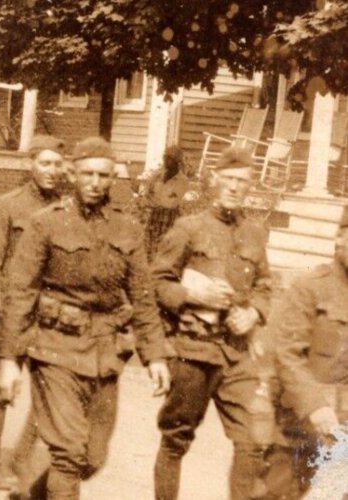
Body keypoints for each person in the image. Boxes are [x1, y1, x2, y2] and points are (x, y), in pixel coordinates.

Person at [0, 136, 171, 500]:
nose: (95, 182)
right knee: (69, 454)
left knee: (92, 457)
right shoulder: (45, 224)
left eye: (104, 175)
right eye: (88, 174)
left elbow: (142, 298)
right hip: (54, 349)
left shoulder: (127, 228)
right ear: (73, 174)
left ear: (113, 178)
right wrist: (10, 359)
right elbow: (20, 293)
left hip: (105, 354)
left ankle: (28, 495)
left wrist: (155, 355)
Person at [151, 146, 272, 500]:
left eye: (243, 182)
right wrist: (195, 296)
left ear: (250, 187)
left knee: (252, 439)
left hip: (236, 354)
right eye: (229, 180)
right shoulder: (188, 228)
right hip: (193, 349)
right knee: (176, 440)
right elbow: (156, 282)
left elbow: (265, 284)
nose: (235, 188)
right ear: (215, 180)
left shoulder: (254, 234)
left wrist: (255, 312)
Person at [0, 134, 66, 492]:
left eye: (58, 164)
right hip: (12, 309)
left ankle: (21, 456)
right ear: (30, 164)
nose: (51, 170)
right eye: (44, 163)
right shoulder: (8, 206)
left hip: (51, 315)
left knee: (49, 391)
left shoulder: (68, 208)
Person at [259, 207, 348, 498]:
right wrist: (315, 405)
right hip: (298, 420)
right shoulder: (310, 287)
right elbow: (285, 354)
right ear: (339, 238)